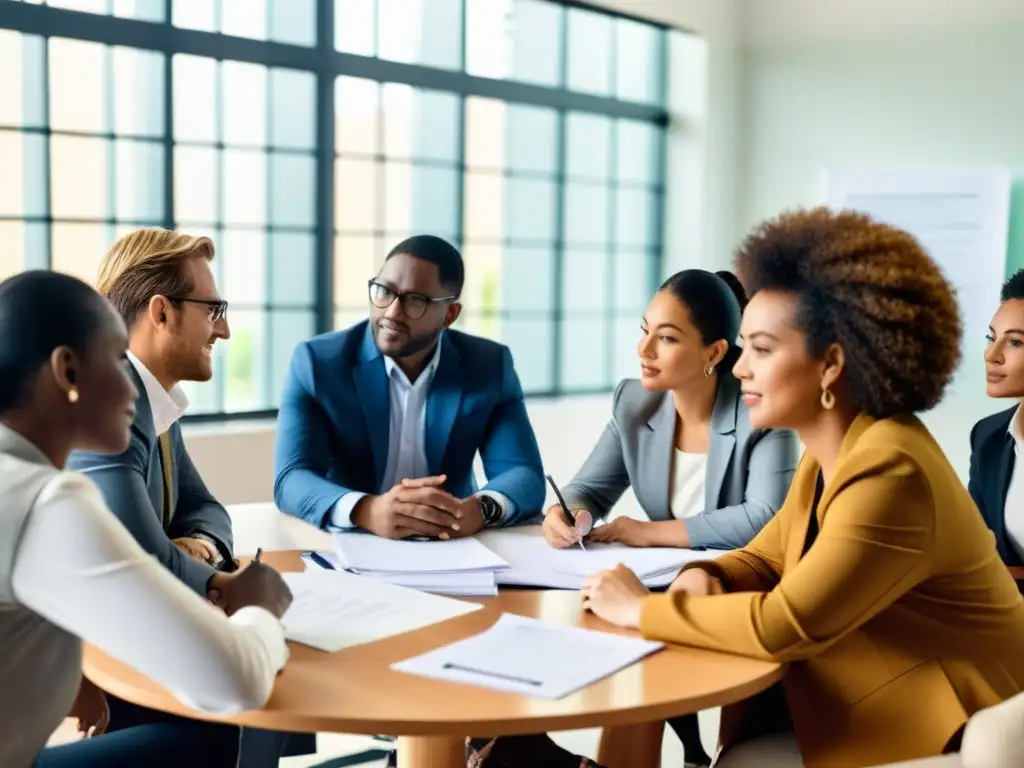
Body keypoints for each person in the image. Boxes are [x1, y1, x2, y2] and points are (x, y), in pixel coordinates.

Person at [582, 208, 1024, 768]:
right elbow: (764, 560)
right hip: (861, 700)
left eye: (762, 350)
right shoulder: (832, 453)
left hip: (948, 732)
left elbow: (787, 624)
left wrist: (640, 609)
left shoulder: (893, 470)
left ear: (830, 365)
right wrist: (703, 574)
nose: (740, 369)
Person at [0, 270, 292, 768]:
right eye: (118, 358)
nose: (133, 385)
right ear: (67, 372)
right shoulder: (47, 502)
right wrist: (261, 609)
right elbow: (232, 681)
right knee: (211, 736)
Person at [66, 229, 314, 763]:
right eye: (213, 309)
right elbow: (145, 562)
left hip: (132, 631)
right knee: (234, 710)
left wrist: (198, 546)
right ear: (161, 312)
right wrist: (240, 590)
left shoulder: (152, 402)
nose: (223, 330)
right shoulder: (112, 404)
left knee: (245, 700)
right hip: (110, 645)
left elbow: (205, 509)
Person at [539, 268, 798, 768]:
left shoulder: (762, 410)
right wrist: (568, 512)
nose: (644, 350)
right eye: (644, 330)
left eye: (667, 338)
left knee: (644, 657)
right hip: (662, 587)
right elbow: (590, 487)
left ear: (714, 354)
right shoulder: (635, 401)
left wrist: (648, 532)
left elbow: (768, 517)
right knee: (617, 652)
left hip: (744, 590)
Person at [275, 234, 545, 539]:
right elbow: (291, 478)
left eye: (415, 300)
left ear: (450, 315)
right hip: (352, 542)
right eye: (384, 291)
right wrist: (367, 510)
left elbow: (525, 475)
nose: (391, 312)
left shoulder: (488, 365)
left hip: (451, 542)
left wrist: (478, 509)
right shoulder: (318, 363)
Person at [969, 267, 1024, 566]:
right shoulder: (988, 437)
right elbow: (977, 553)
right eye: (992, 337)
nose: (992, 354)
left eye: (1015, 342)